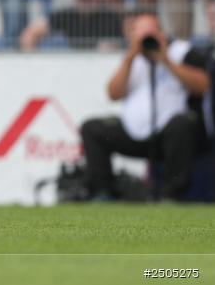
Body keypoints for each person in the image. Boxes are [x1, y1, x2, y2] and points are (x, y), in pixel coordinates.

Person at [80, 12, 209, 200]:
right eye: (141, 35)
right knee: (92, 128)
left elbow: (203, 86)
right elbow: (113, 93)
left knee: (183, 125)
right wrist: (131, 57)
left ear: (162, 32)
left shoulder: (182, 52)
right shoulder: (132, 58)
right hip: (134, 133)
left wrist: (166, 60)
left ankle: (172, 195)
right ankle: (102, 192)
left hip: (169, 134)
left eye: (152, 33)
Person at [20, 0, 123, 51]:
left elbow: (110, 50)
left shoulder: (109, 16)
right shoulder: (68, 14)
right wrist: (35, 63)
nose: (85, 0)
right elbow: (30, 34)